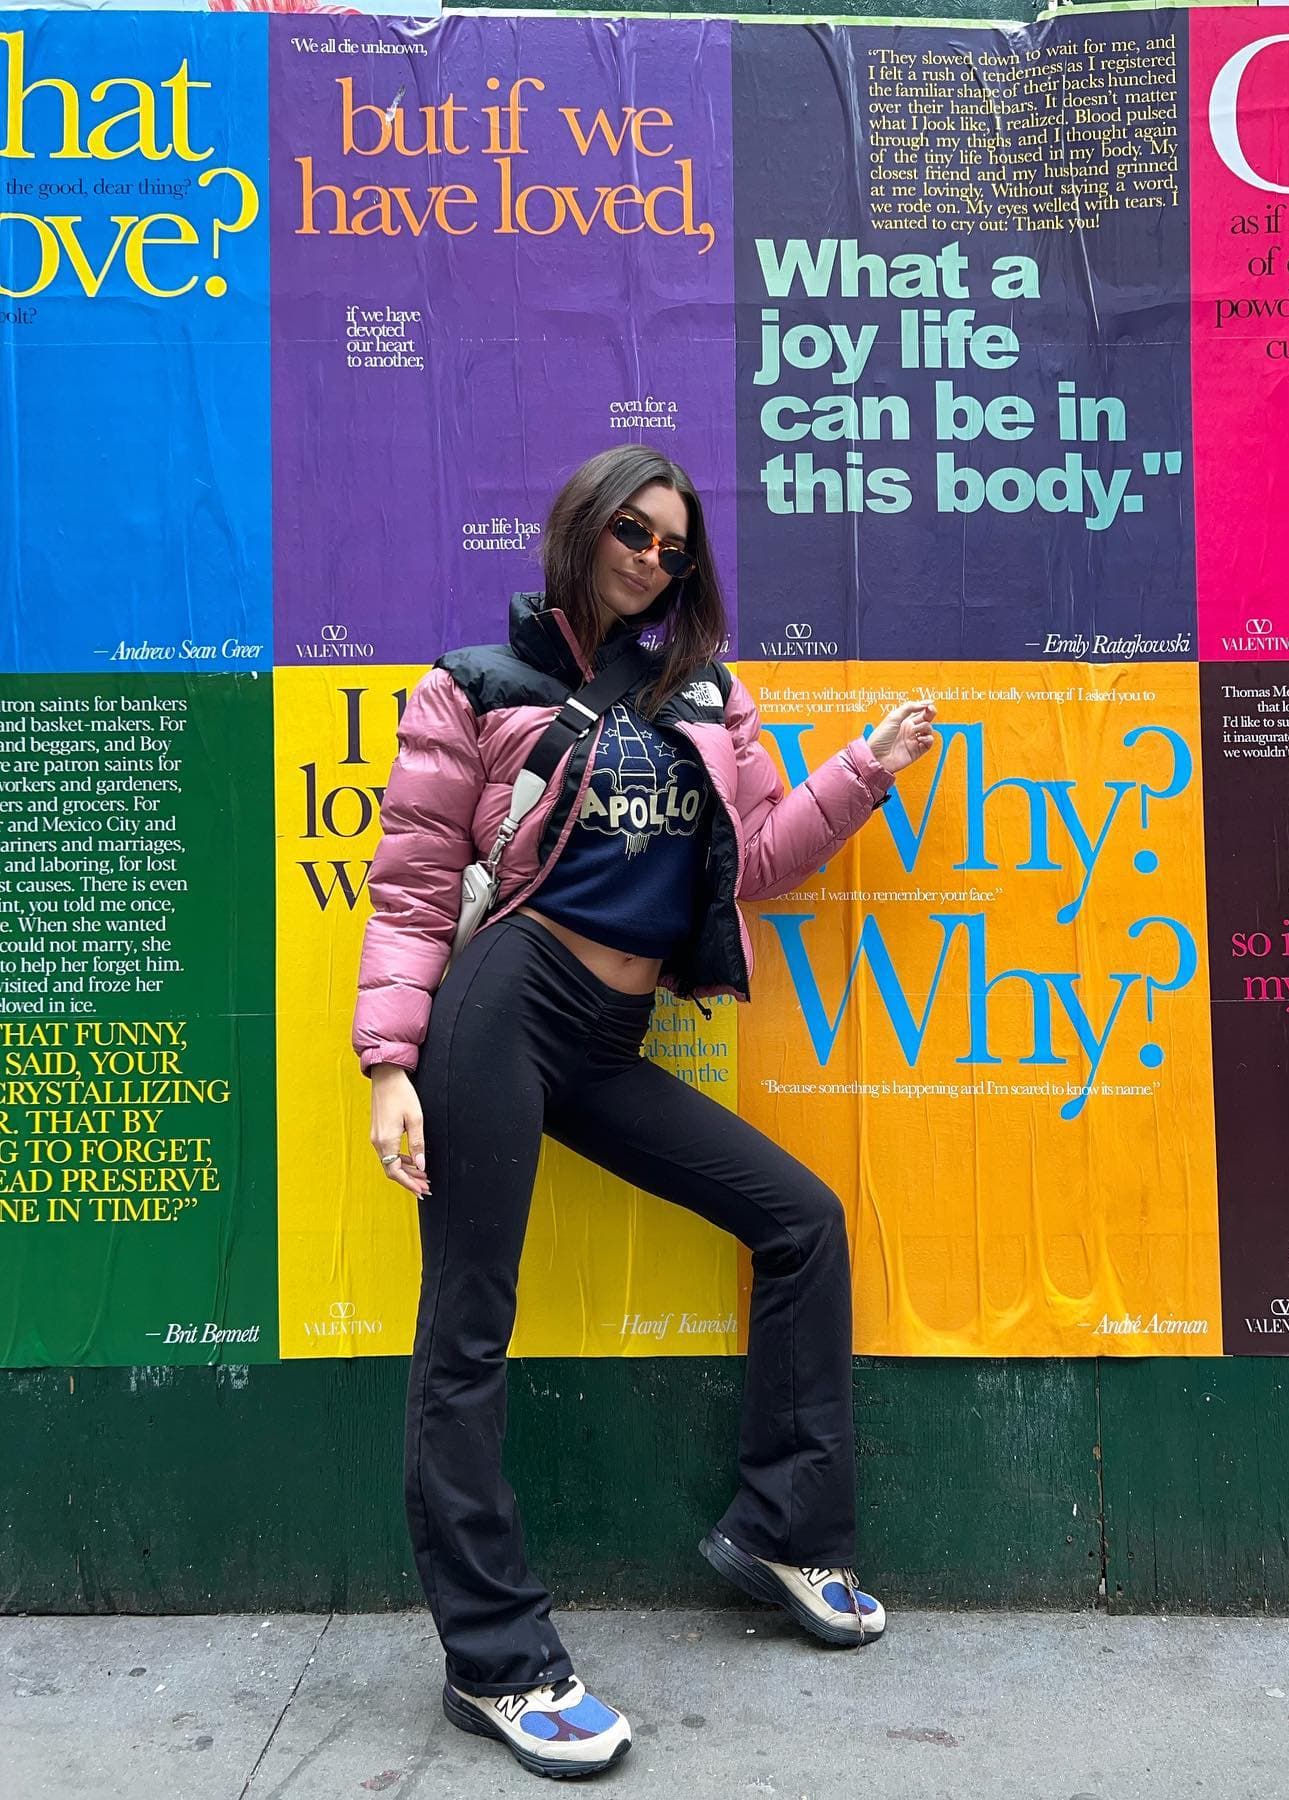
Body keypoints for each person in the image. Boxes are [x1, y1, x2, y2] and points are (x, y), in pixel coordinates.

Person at [353, 445, 937, 1781]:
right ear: (580, 529)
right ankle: (496, 1661)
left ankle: (786, 1527)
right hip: (506, 1001)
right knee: (467, 1328)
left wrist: (863, 768)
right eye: (632, 532)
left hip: (611, 1036)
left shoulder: (709, 697)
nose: (653, 560)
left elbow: (764, 860)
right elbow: (412, 881)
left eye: (676, 547)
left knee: (800, 1218)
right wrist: (392, 1063)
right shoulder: (475, 686)